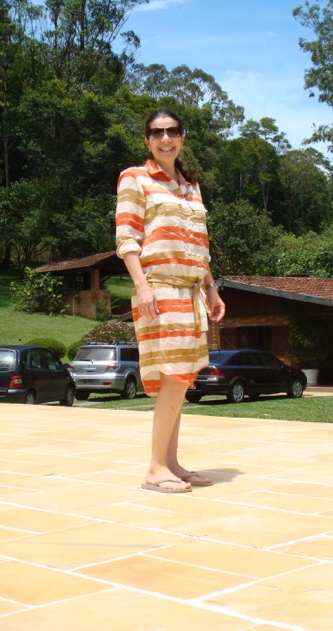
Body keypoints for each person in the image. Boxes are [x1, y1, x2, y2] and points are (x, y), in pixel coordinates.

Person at [116, 109, 225, 494]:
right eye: (157, 132)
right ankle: (155, 468)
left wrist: (211, 288)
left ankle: (172, 463)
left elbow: (199, 246)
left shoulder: (191, 186)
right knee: (174, 375)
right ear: (147, 140)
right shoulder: (135, 178)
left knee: (180, 379)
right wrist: (142, 286)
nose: (166, 139)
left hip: (192, 291)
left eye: (172, 131)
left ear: (182, 137)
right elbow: (127, 238)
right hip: (159, 289)